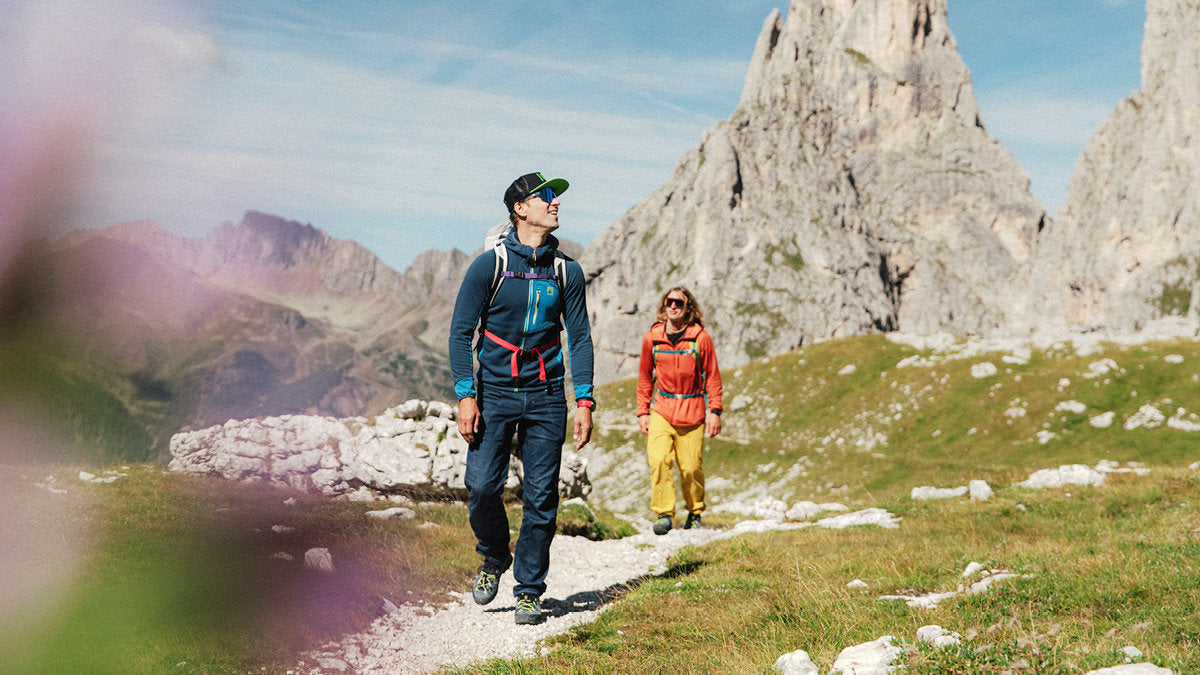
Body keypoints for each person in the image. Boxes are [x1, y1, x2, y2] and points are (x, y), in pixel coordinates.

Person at [448, 171, 595, 626]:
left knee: (541, 498)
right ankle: (494, 556)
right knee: (483, 487)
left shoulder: (566, 270)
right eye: (546, 196)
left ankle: (530, 589)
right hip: (493, 394)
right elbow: (460, 333)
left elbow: (581, 339)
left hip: (548, 396)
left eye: (556, 197)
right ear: (520, 208)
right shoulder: (487, 266)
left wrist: (584, 402)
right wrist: (465, 394)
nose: (555, 203)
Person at [636, 286, 722, 535]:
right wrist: (643, 412)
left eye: (678, 303)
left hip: (693, 411)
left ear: (688, 308)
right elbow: (644, 377)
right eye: (668, 302)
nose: (673, 306)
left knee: (691, 468)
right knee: (659, 460)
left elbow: (713, 376)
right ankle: (664, 514)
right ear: (663, 306)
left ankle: (695, 511)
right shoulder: (652, 338)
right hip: (662, 409)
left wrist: (714, 410)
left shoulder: (700, 338)